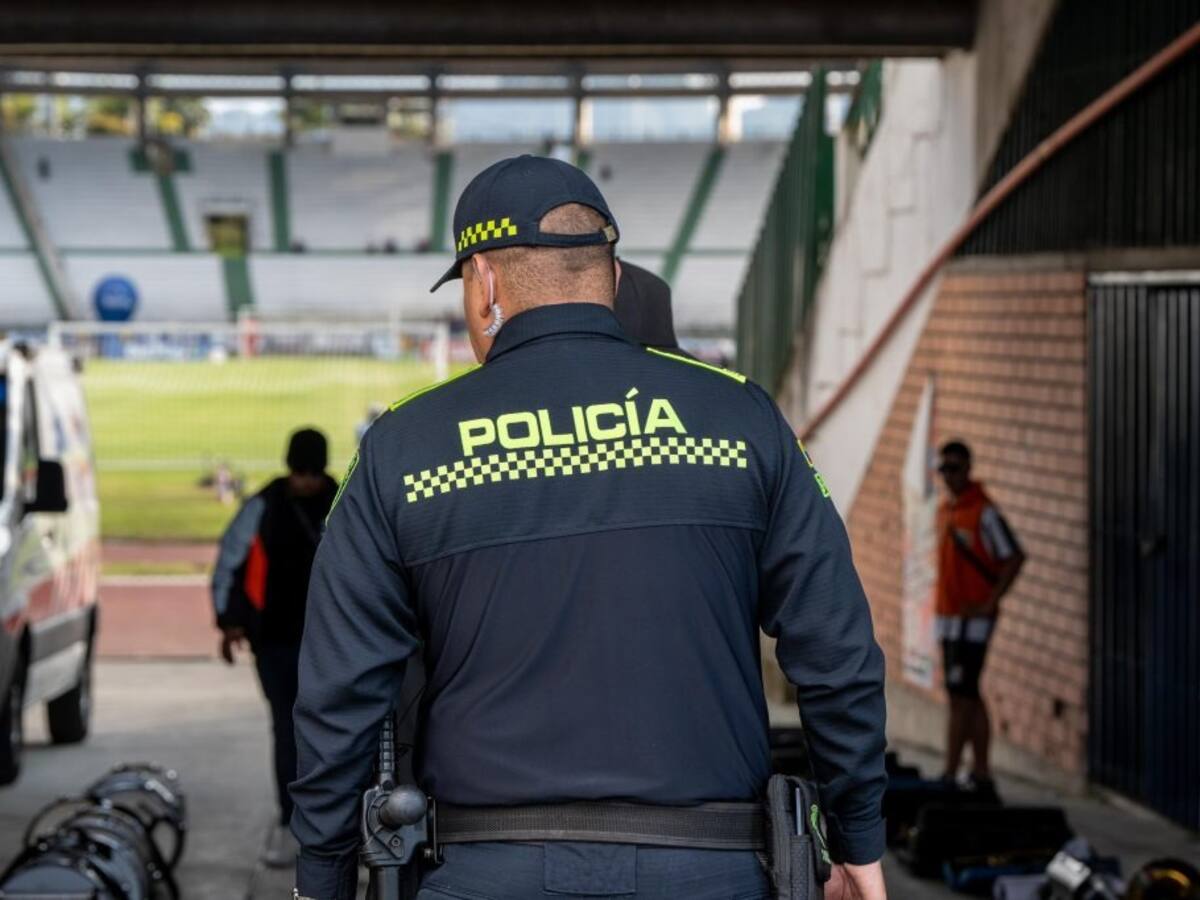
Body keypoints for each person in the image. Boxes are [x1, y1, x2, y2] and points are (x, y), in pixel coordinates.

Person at [291, 156, 888, 900]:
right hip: (711, 868)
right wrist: (857, 839)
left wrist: (321, 874)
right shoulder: (742, 417)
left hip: (483, 870)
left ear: (484, 282)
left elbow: (340, 689)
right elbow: (837, 650)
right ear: (611, 274)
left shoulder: (405, 446)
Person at [211, 427, 338, 868]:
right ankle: (289, 824)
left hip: (336, 643)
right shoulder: (262, 506)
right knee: (287, 730)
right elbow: (230, 563)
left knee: (338, 734)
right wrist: (229, 622)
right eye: (300, 472)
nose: (306, 481)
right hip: (277, 641)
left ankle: (340, 827)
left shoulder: (345, 504)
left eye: (312, 473)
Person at [936, 440, 1025, 788]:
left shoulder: (983, 513)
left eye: (955, 468)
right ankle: (980, 771)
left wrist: (989, 603)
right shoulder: (946, 509)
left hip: (971, 622)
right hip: (949, 618)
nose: (949, 476)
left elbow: (1013, 557)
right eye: (944, 469)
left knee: (962, 695)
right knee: (966, 693)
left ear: (968, 470)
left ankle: (951, 772)